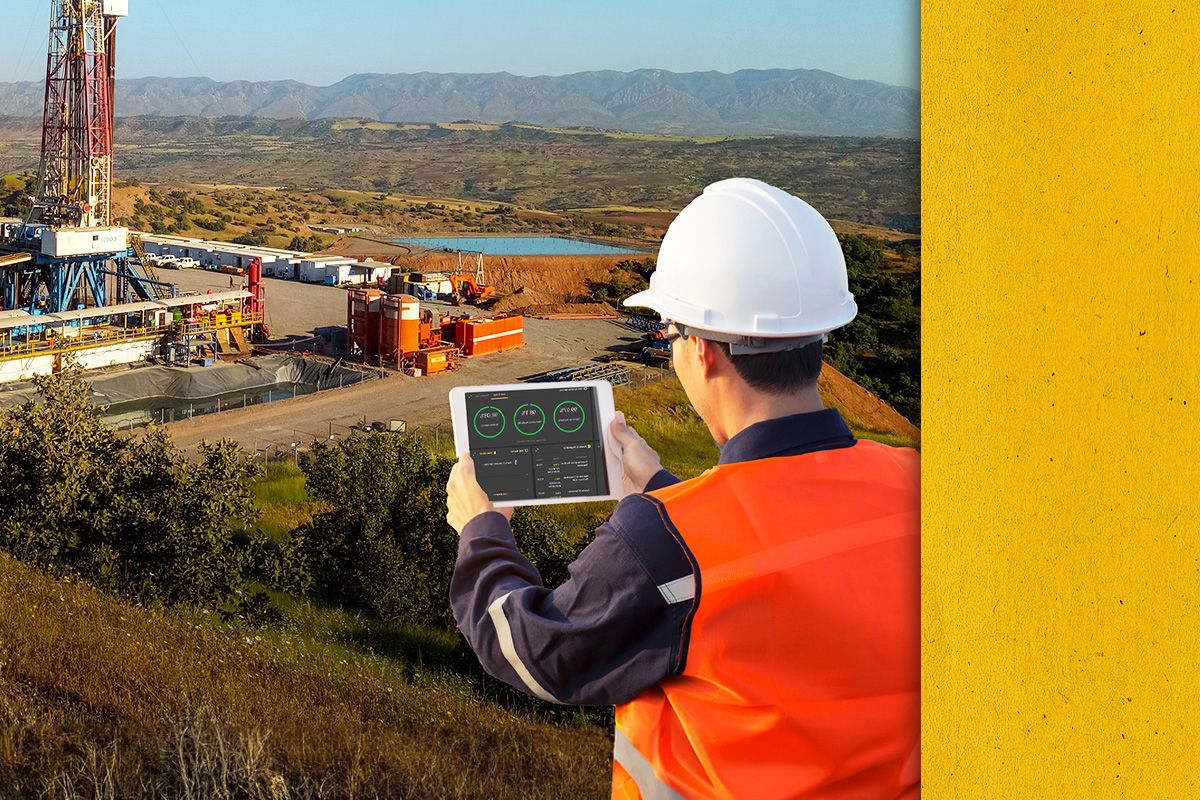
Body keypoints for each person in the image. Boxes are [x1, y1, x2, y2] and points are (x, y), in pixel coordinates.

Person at [446, 178, 919, 799]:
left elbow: (534, 654)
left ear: (701, 351)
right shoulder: (913, 481)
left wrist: (482, 532)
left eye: (670, 335)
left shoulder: (665, 541)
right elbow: (781, 572)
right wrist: (662, 487)